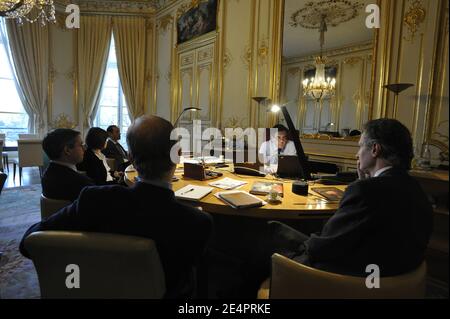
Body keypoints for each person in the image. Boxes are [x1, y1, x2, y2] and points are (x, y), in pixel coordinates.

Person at [20, 115, 213, 298]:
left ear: (130, 155)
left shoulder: (94, 200)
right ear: (177, 156)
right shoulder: (197, 222)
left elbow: (30, 241)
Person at [251, 118, 433, 290]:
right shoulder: (418, 190)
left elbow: (323, 247)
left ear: (375, 149)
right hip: (387, 274)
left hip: (345, 276)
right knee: (275, 229)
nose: (357, 153)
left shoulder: (365, 192)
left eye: (360, 146)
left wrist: (305, 245)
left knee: (262, 241)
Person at [41, 129, 94, 202]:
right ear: (67, 150)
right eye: (81, 145)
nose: (84, 149)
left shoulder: (46, 175)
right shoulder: (81, 182)